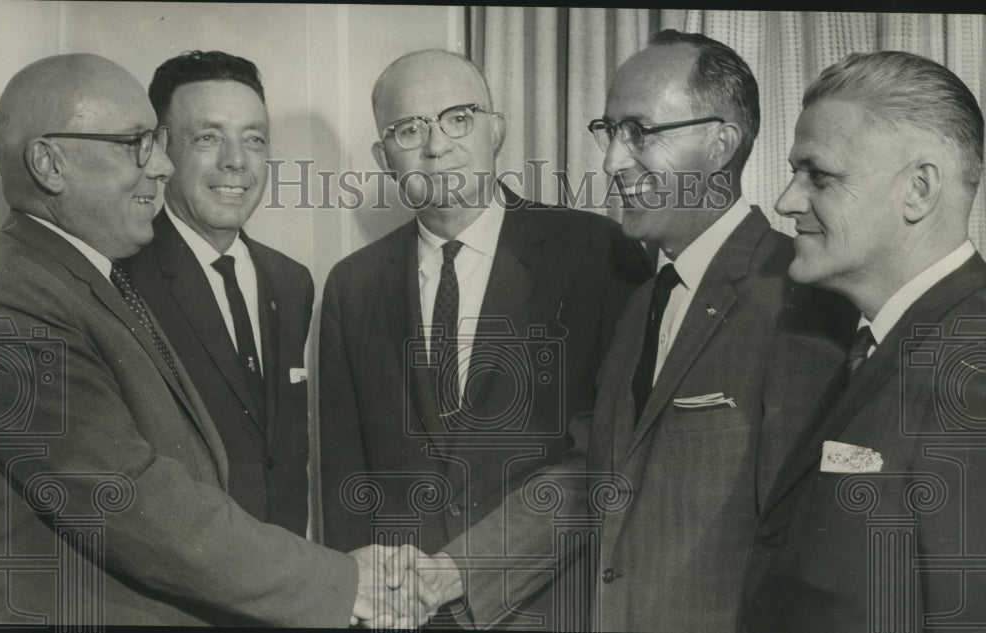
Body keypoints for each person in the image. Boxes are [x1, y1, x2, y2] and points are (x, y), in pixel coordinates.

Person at [395, 30, 854, 631]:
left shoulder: (799, 300)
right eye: (608, 132)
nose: (612, 161)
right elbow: (598, 479)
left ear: (720, 144)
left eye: (641, 132)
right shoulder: (644, 301)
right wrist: (451, 573)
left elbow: (806, 546)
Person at [0, 53, 425, 628]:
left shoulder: (83, 275)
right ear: (48, 163)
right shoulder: (9, 296)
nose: (161, 167)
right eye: (136, 144)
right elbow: (129, 498)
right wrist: (342, 583)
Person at [318, 48, 651, 626]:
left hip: (553, 605)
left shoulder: (598, 253)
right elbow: (346, 479)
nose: (436, 145)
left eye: (458, 118)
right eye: (407, 129)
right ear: (383, 156)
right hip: (403, 616)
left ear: (496, 130)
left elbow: (613, 454)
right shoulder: (352, 285)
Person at [740, 51, 986, 631]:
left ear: (919, 190)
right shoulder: (879, 341)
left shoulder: (969, 370)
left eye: (818, 175)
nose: (787, 202)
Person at [124, 51, 312, 536]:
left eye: (254, 139)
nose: (236, 161)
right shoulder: (121, 276)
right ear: (160, 151)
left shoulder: (291, 281)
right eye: (208, 138)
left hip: (287, 585)